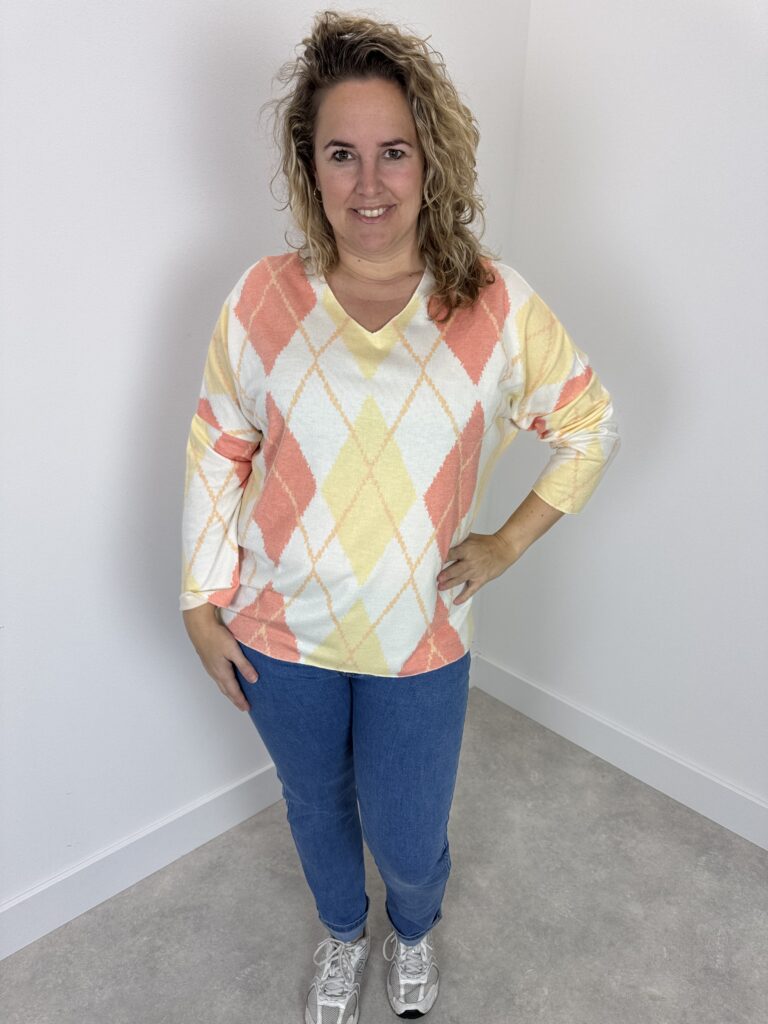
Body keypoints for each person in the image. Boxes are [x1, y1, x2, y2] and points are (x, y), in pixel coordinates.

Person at [180, 10, 620, 1023]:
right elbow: (218, 445)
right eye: (342, 153)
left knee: (409, 834)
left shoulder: (495, 304)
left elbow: (589, 424)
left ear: (431, 160)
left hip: (420, 633)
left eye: (394, 152)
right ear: (311, 164)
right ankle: (343, 932)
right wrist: (201, 602)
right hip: (277, 631)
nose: (368, 182)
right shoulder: (261, 299)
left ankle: (412, 930)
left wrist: (507, 542)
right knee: (315, 805)